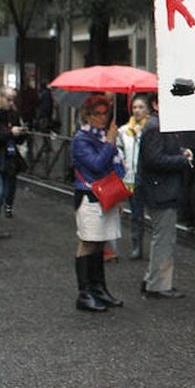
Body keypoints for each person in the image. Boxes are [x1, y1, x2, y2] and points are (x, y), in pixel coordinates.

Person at [70, 93, 126, 312]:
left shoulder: (103, 135)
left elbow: (114, 167)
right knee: (88, 241)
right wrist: (110, 143)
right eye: (98, 113)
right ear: (88, 115)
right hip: (89, 195)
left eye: (105, 113)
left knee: (101, 241)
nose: (103, 117)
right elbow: (96, 165)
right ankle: (84, 293)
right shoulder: (81, 139)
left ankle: (99, 288)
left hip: (107, 194)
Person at [137, 94, 193, 299]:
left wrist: (181, 151)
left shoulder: (160, 124)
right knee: (164, 238)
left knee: (162, 237)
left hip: (161, 189)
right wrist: (181, 160)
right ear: (155, 104)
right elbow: (154, 159)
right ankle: (158, 285)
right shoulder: (155, 126)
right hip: (161, 190)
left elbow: (160, 153)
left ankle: (152, 279)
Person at [117, 92, 151, 260]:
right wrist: (121, 158)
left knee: (153, 214)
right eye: (135, 107)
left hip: (149, 177)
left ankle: (156, 247)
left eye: (141, 107)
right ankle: (137, 245)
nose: (137, 110)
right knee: (136, 214)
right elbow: (118, 148)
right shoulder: (124, 130)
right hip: (131, 177)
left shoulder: (151, 129)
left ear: (147, 110)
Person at [0, 86, 28, 223]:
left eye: (12, 100)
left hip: (11, 153)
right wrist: (10, 131)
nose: (11, 103)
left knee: (11, 180)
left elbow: (19, 138)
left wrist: (22, 133)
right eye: (8, 99)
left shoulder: (15, 114)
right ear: (0, 98)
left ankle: (8, 205)